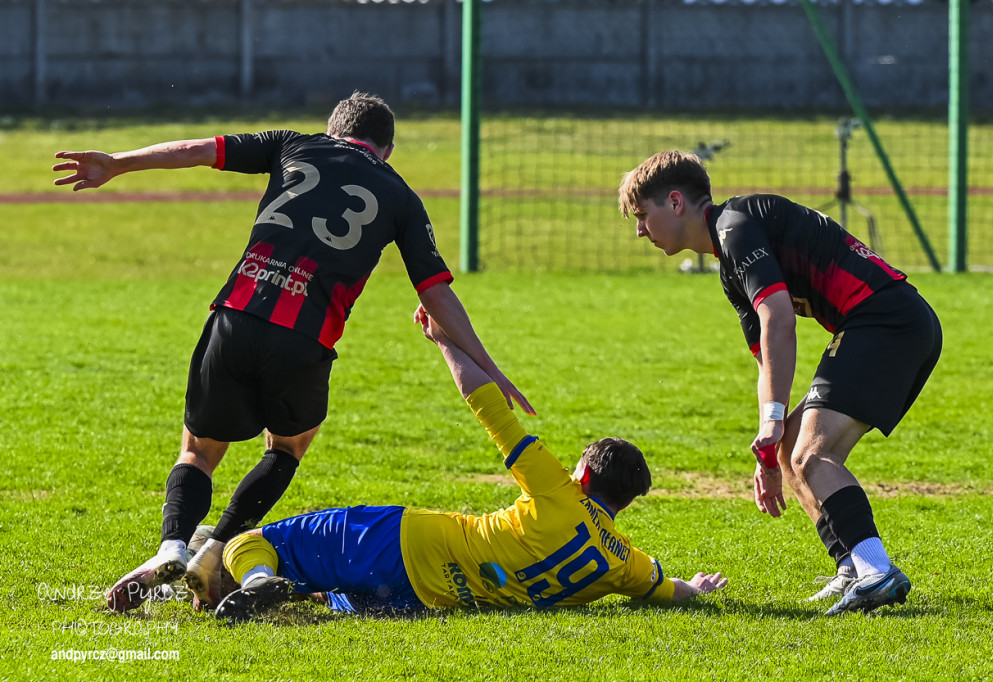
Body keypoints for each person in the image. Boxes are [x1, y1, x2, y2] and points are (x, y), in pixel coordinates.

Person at [52, 92, 534, 613]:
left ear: (332, 129)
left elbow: (198, 148)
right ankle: (214, 551)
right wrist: (490, 367)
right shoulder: (401, 196)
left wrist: (118, 163)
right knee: (285, 447)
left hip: (236, 315)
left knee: (198, 451)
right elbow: (435, 291)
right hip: (305, 339)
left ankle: (171, 545)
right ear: (387, 149)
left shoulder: (293, 145)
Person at [211, 307, 728, 622]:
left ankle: (250, 573)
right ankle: (249, 579)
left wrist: (444, 341)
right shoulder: (622, 563)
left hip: (407, 541)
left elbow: (490, 412)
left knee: (251, 542)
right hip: (428, 599)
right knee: (328, 591)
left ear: (585, 477)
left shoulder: (559, 492)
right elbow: (666, 590)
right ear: (626, 500)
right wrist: (696, 588)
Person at [617, 151, 941, 616]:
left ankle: (877, 571)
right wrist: (768, 447)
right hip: (889, 322)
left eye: (643, 215)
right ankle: (852, 567)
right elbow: (766, 356)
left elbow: (779, 320)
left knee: (812, 454)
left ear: (675, 202)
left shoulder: (734, 226)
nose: (639, 230)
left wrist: (771, 420)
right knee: (792, 447)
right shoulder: (729, 264)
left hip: (886, 320)